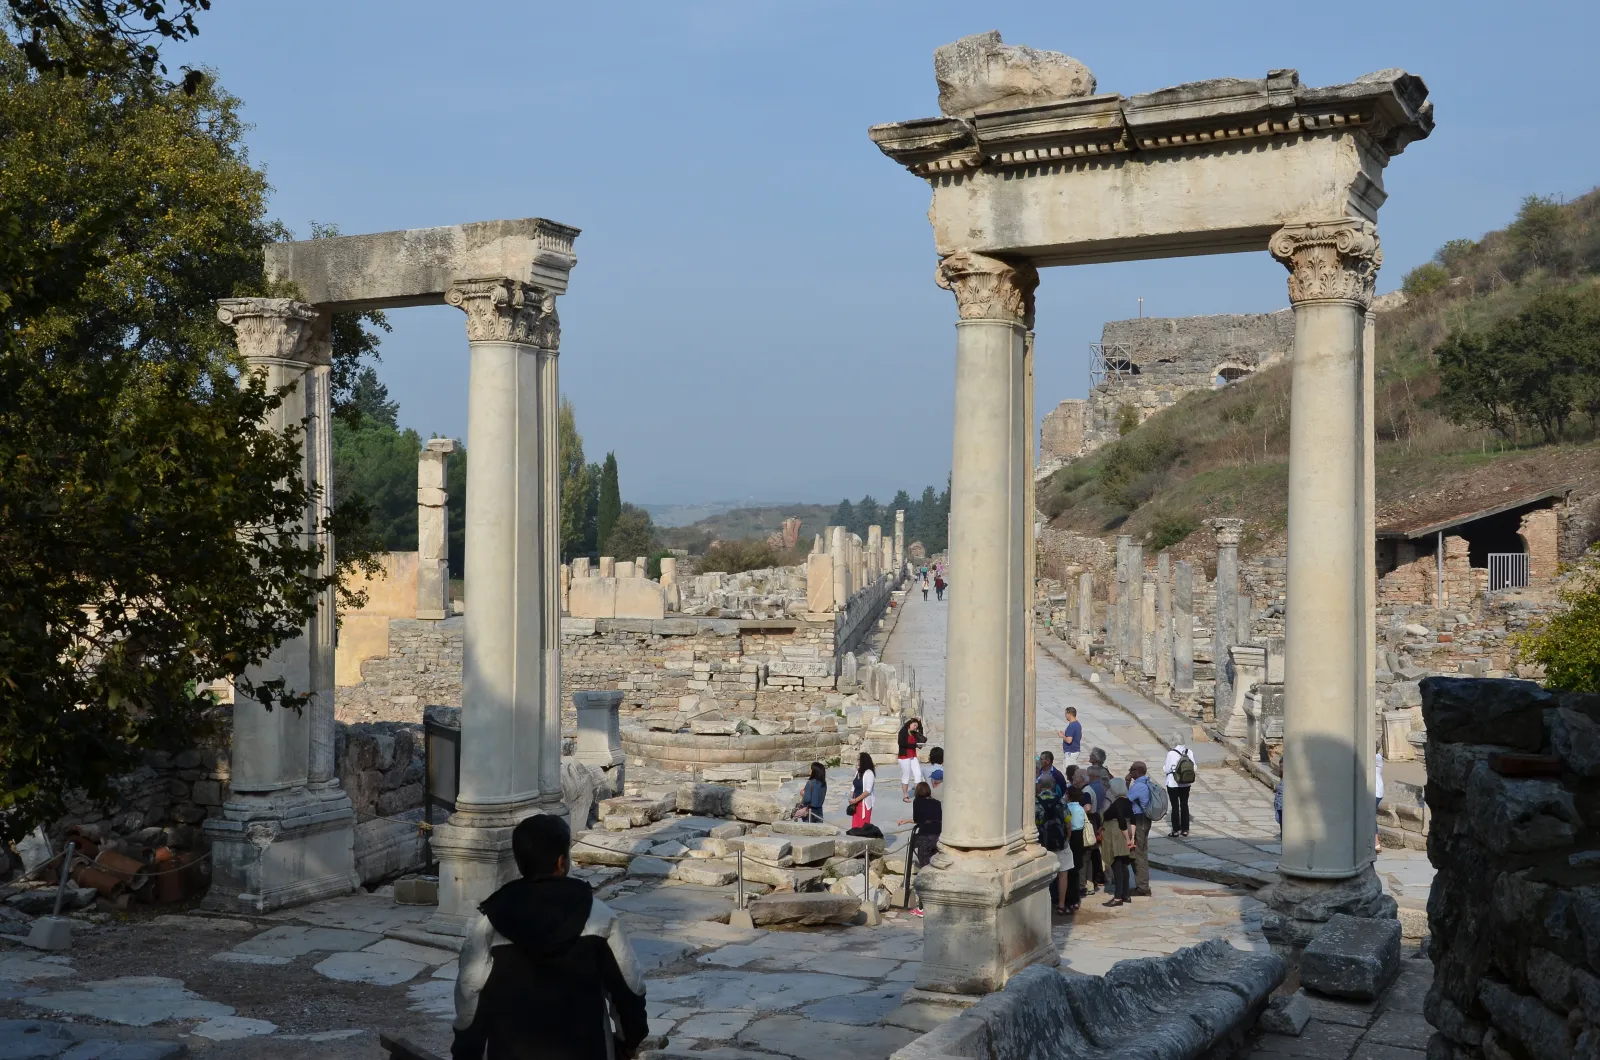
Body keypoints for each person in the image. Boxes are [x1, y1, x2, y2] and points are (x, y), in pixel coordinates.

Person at [453, 814, 648, 1060]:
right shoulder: (599, 917)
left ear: (519, 862)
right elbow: (629, 989)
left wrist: (466, 1052)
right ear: (561, 862)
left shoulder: (490, 924)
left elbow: (469, 995)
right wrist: (628, 1041)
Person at [896, 781, 942, 917]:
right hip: (938, 836)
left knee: (924, 870)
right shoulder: (937, 803)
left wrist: (908, 821)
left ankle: (922, 907)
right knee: (936, 869)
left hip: (925, 837)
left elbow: (918, 819)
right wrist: (906, 821)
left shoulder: (917, 802)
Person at [1034, 774, 1070, 915]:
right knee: (1063, 873)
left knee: (1042, 874)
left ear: (1040, 786)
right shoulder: (1061, 801)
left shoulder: (1035, 802)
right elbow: (1068, 822)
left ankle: (1042, 905)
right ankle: (1061, 904)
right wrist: (1066, 839)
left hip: (1042, 843)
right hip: (1060, 842)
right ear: (1054, 785)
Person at [1101, 777, 1136, 907]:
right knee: (1123, 866)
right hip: (1124, 834)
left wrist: (1128, 840)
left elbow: (1121, 821)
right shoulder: (1127, 801)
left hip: (1116, 835)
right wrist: (1132, 837)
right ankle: (1126, 894)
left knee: (1117, 866)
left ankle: (1117, 897)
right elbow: (1132, 820)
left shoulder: (1118, 803)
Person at [1126, 761, 1154, 898]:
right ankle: (1142, 885)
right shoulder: (1145, 783)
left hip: (1140, 820)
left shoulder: (1139, 786)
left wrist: (1126, 784)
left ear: (1138, 771)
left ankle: (1142, 887)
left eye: (1131, 770)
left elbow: (1125, 801)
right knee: (1141, 851)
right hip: (1143, 820)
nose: (1130, 772)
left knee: (1139, 854)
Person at [1164, 737, 1196, 838]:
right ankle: (1185, 829)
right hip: (1186, 783)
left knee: (1175, 806)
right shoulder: (1189, 752)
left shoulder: (1171, 753)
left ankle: (1175, 830)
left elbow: (1167, 768)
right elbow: (1194, 767)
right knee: (1184, 804)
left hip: (1173, 783)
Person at [1064, 789, 1089, 914]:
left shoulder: (1067, 807)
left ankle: (1068, 901)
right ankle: (1076, 900)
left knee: (1067, 872)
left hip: (1070, 840)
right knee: (1076, 871)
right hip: (1079, 840)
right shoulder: (1080, 808)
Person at [897, 718, 926, 802]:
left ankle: (918, 795)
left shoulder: (914, 733)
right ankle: (905, 796)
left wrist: (919, 723)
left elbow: (921, 735)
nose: (915, 727)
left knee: (918, 774)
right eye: (914, 725)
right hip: (904, 757)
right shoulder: (903, 731)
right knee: (906, 775)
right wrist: (914, 745)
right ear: (910, 723)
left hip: (913, 756)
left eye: (916, 726)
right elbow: (901, 743)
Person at [847, 752, 876, 828]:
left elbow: (868, 790)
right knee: (855, 825)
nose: (857, 761)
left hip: (864, 803)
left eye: (859, 759)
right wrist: (851, 796)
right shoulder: (858, 772)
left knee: (863, 826)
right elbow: (854, 785)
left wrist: (856, 800)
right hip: (855, 804)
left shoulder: (869, 773)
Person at [1375, 746, 1385, 854]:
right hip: (1373, 790)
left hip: (1376, 792)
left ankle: (1376, 843)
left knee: (1368, 816)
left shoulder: (1376, 757)